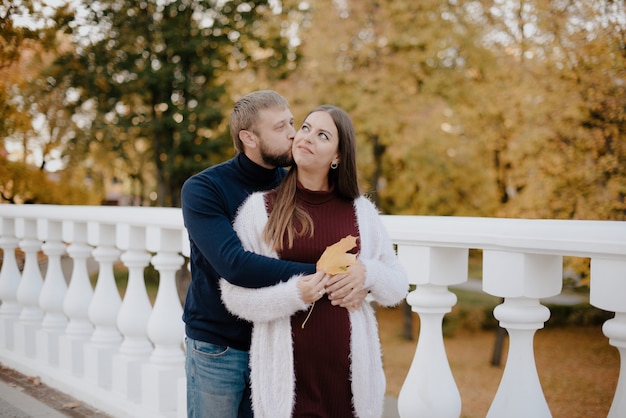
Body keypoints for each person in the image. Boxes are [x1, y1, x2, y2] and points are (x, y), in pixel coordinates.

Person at [181, 91, 367, 418]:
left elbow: (341, 237)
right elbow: (234, 265)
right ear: (249, 138)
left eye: (293, 122)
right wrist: (324, 271)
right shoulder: (203, 189)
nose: (295, 134)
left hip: (278, 345)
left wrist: (359, 274)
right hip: (218, 346)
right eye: (281, 127)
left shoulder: (296, 186)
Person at [220, 105, 409, 418]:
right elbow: (234, 296)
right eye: (305, 128)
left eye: (322, 135)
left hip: (350, 385)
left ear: (337, 156)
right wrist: (294, 295)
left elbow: (397, 285)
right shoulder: (259, 210)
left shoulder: (361, 212)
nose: (306, 137)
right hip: (288, 389)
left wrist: (367, 273)